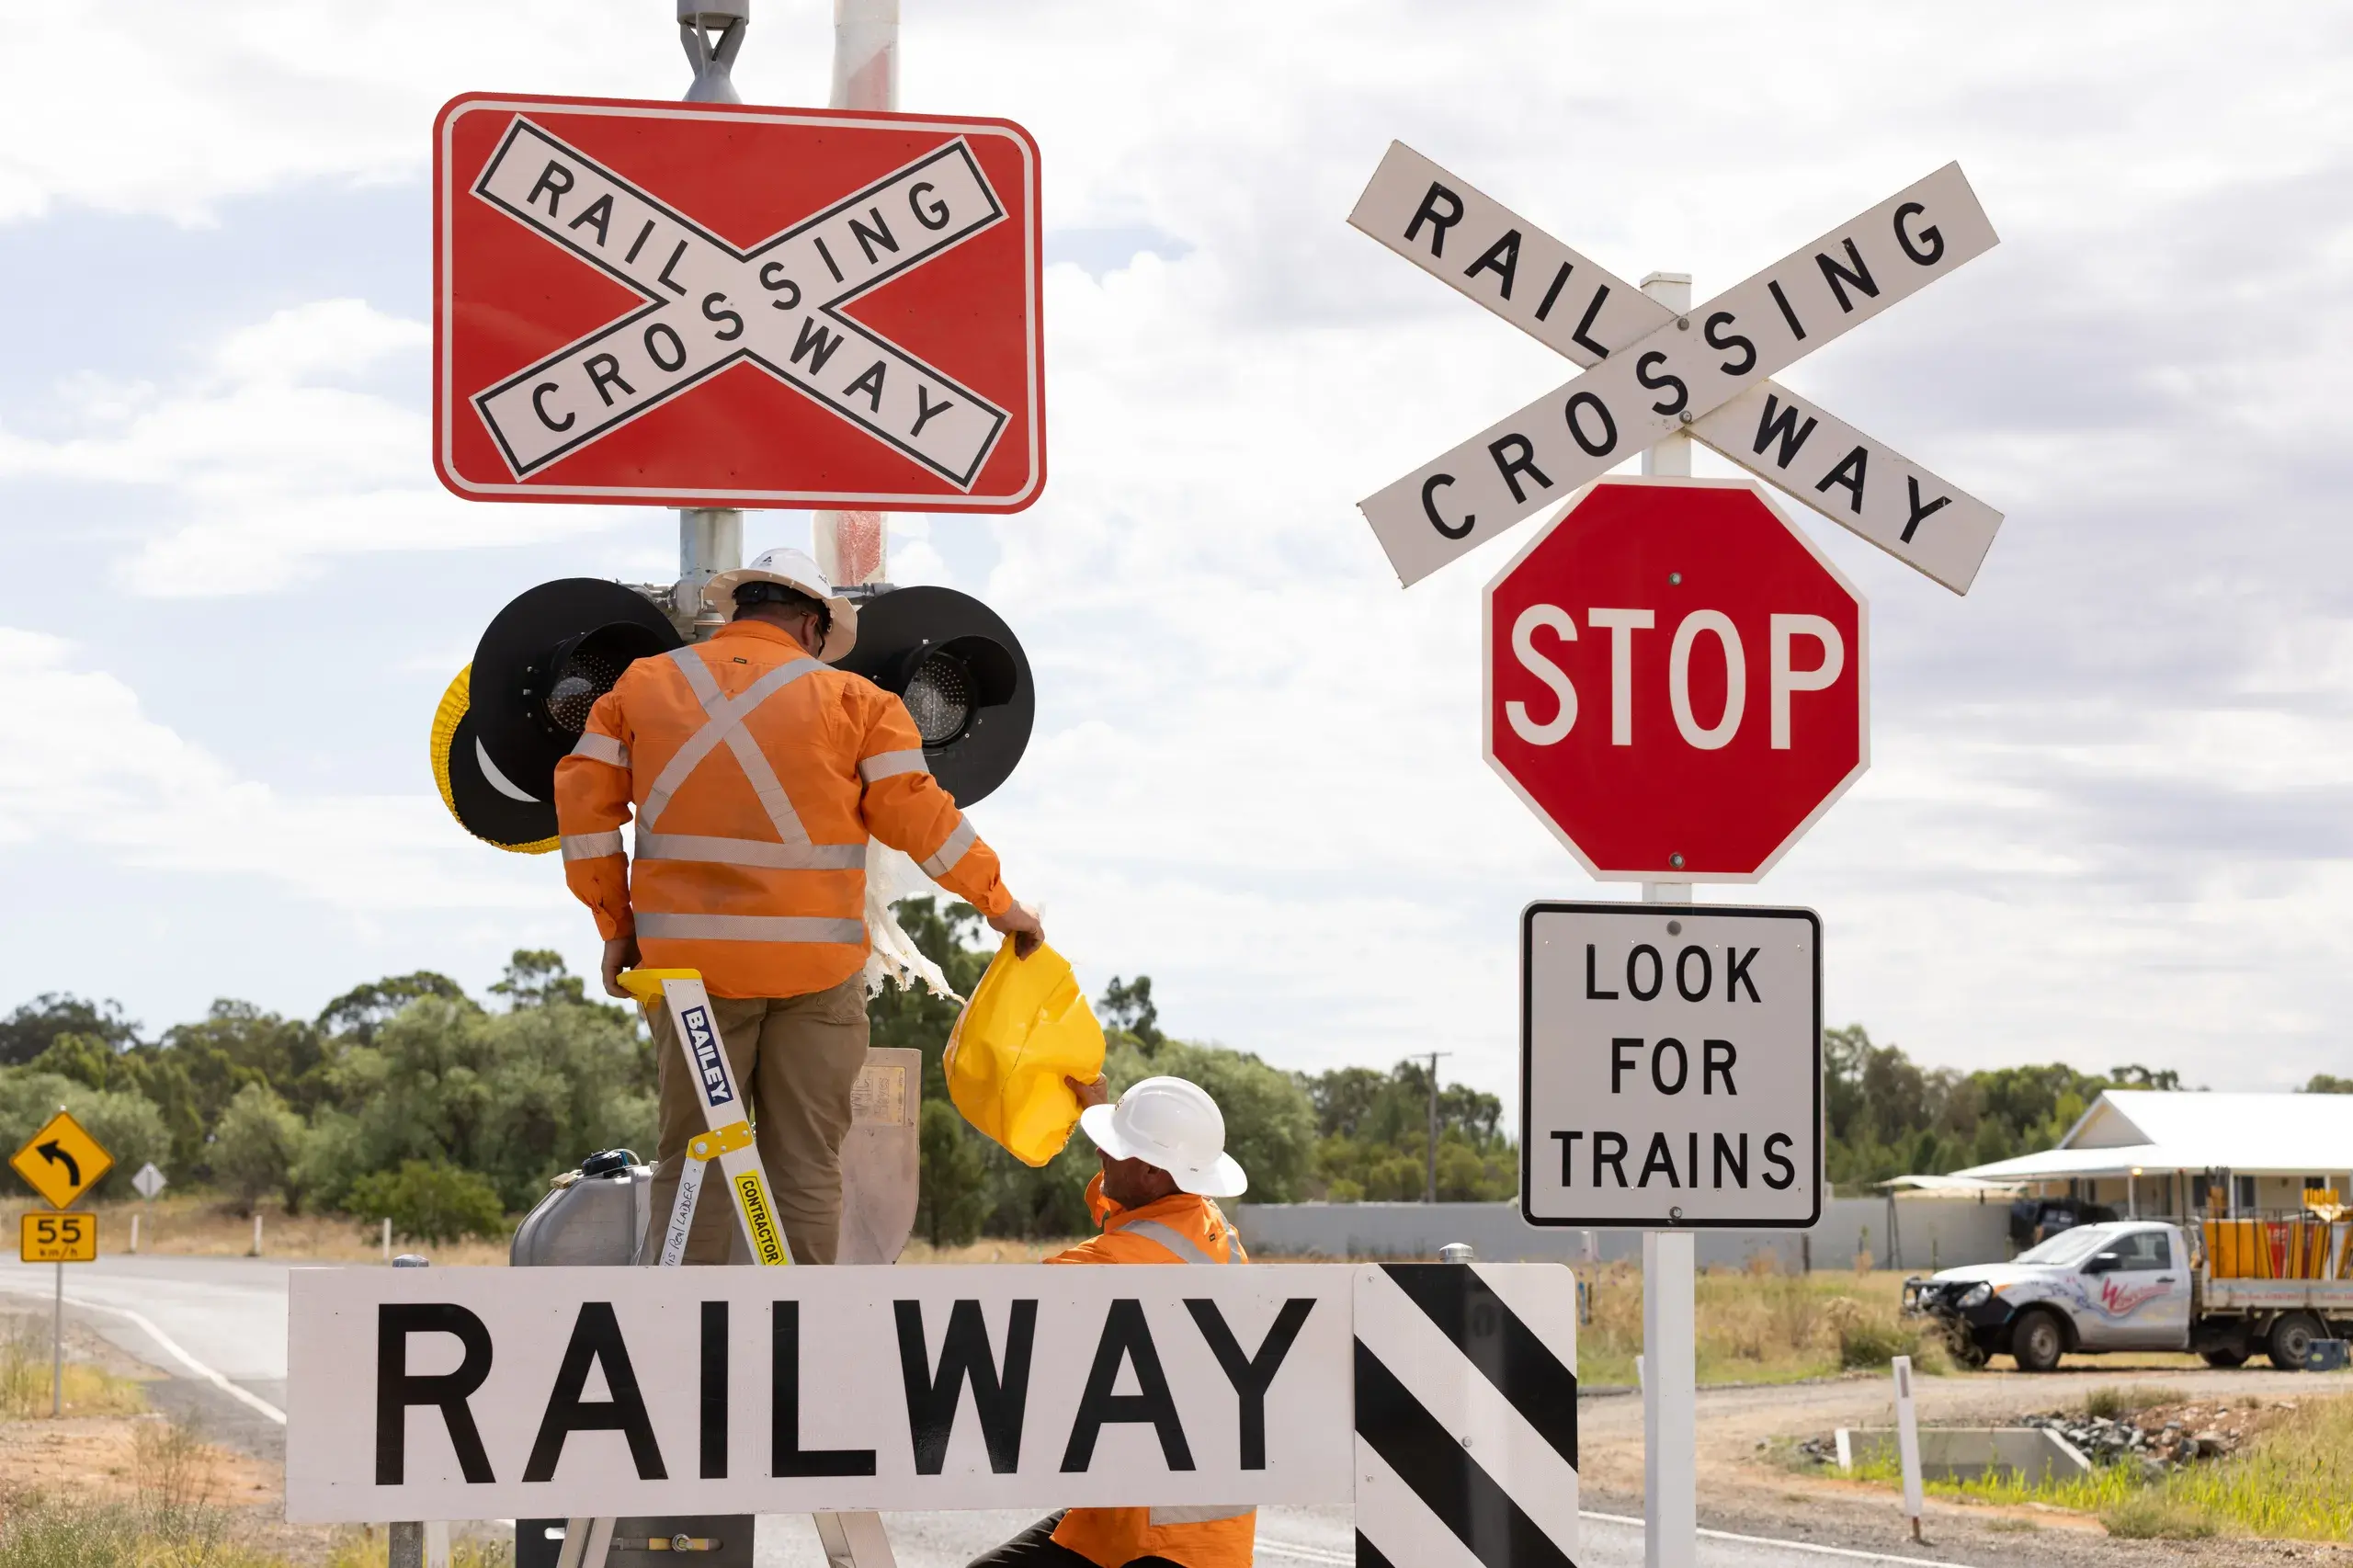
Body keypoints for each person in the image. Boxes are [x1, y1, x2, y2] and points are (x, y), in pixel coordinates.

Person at [554, 546, 1043, 1266]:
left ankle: (685, 1335)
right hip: (815, 977)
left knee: (696, 1160)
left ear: (737, 610)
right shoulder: (859, 704)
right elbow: (921, 817)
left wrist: (615, 926)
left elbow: (585, 814)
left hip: (692, 978)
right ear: (814, 626)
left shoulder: (641, 685)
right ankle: (805, 1337)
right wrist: (1000, 904)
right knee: (807, 1170)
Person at [970, 1074, 1256, 1568]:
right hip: (1141, 1513)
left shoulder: (1116, 1264)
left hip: (1161, 1543)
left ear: (1150, 1170)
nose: (1102, 1153)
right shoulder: (1209, 1226)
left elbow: (992, 1316)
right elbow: (1134, 1225)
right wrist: (1099, 1116)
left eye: (1115, 1147)